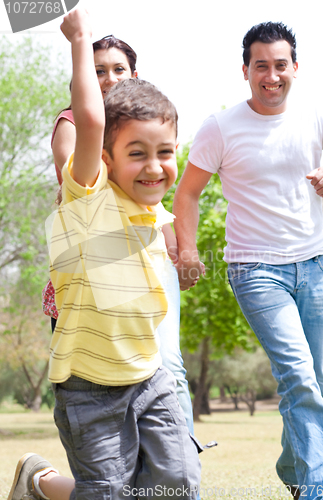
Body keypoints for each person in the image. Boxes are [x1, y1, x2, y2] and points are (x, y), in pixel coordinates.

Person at [7, 9, 201, 500]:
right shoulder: (90, 194)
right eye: (137, 153)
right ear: (106, 158)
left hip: (147, 373)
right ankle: (41, 481)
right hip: (90, 385)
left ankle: (55, 485)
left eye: (165, 152)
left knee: (177, 482)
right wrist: (79, 35)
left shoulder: (151, 208)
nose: (154, 167)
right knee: (107, 493)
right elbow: (91, 118)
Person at [173, 21, 323, 500]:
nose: (271, 75)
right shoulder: (221, 127)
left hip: (315, 264)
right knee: (299, 375)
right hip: (254, 269)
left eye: (280, 65)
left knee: (320, 383)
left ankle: (294, 466)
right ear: (245, 71)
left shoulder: (316, 117)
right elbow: (187, 194)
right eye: (260, 66)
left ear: (295, 68)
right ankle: (319, 489)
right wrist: (186, 252)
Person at [42, 30, 194, 433]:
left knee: (169, 364)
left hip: (148, 256)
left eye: (118, 69)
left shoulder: (145, 126)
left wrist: (181, 250)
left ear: (134, 74)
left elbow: (158, 205)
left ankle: (180, 461)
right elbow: (85, 153)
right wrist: (79, 34)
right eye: (97, 72)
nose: (109, 78)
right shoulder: (76, 124)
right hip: (99, 260)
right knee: (104, 375)